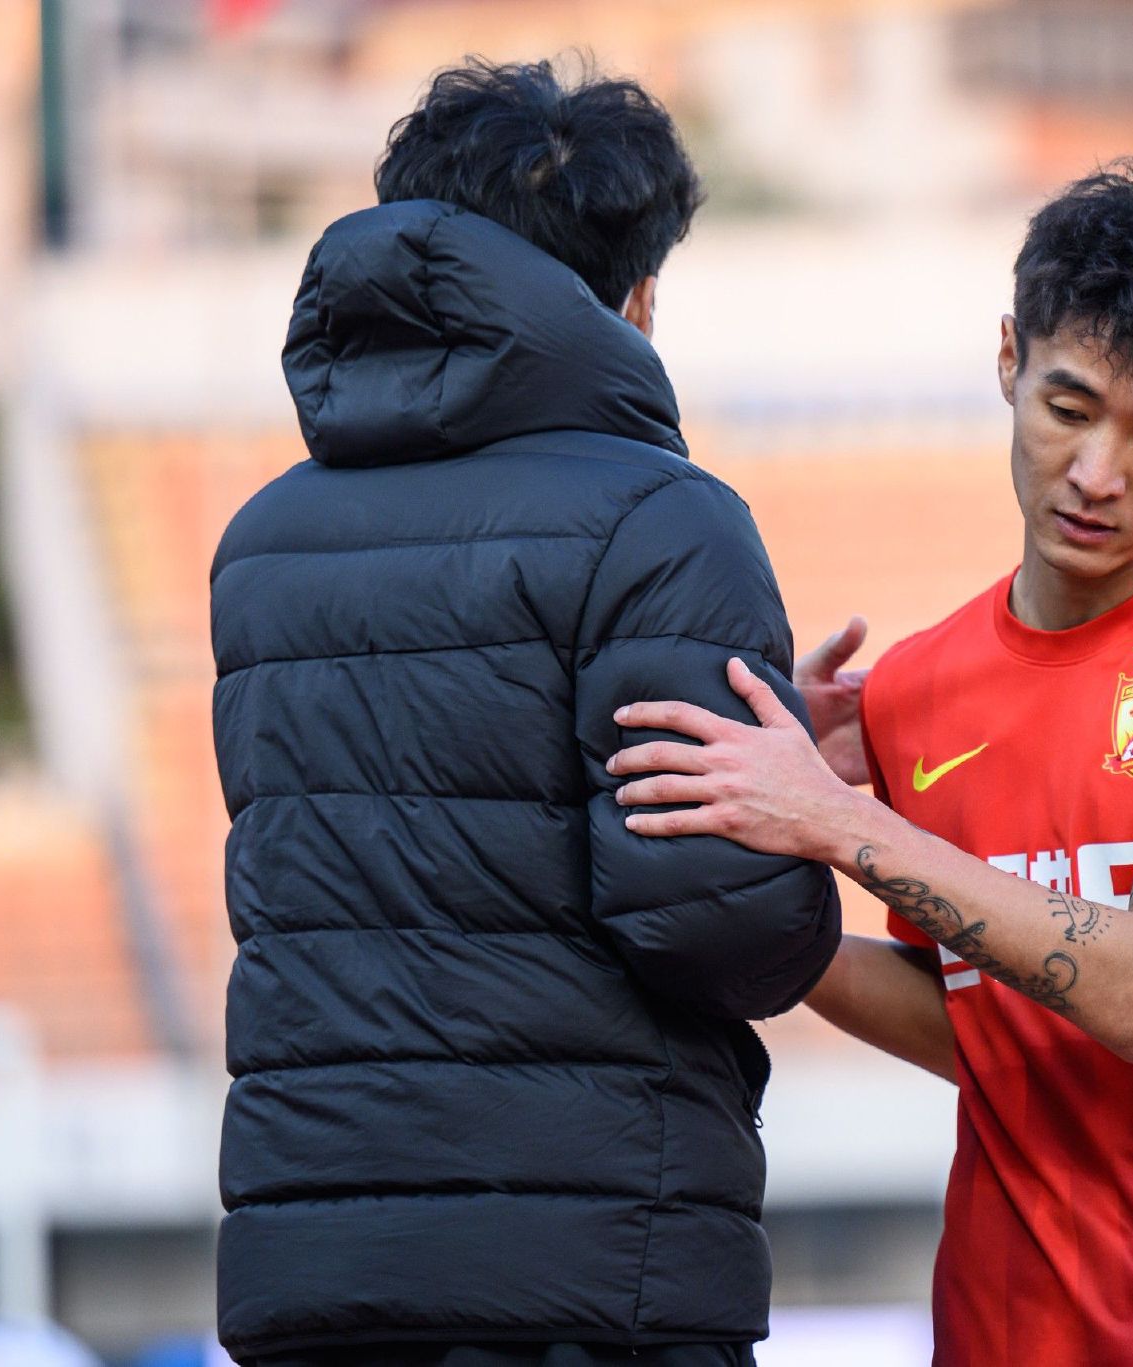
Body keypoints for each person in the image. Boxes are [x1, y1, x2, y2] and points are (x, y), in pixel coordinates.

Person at [606, 163, 1133, 1365]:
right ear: (1005, 361)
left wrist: (833, 823)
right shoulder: (915, 690)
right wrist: (745, 875)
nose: (1095, 473)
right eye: (1067, 407)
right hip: (1001, 1330)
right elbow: (974, 1024)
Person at [209, 60, 841, 1367]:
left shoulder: (261, 541)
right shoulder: (663, 516)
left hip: (314, 1263)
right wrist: (809, 819)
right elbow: (721, 928)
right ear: (637, 292)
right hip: (591, 1272)